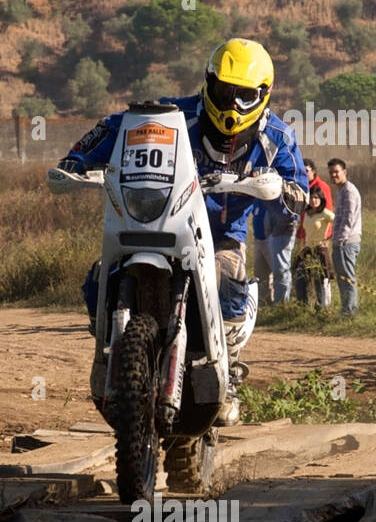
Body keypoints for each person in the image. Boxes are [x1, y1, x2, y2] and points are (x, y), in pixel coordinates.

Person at [56, 37, 308, 429]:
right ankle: (112, 352)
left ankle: (229, 364)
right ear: (208, 82)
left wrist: (277, 188)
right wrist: (78, 158)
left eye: (243, 96)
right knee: (97, 280)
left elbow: (299, 194)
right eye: (224, 91)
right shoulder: (173, 116)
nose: (231, 105)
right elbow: (118, 124)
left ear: (263, 94)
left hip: (220, 236)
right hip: (157, 224)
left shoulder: (277, 137)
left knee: (228, 286)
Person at [328, 158, 362, 317]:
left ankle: (350, 312)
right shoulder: (342, 190)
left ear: (344, 172)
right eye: (331, 172)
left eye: (336, 172)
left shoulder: (349, 190)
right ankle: (346, 310)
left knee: (347, 279)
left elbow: (348, 219)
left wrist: (340, 241)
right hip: (340, 242)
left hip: (346, 243)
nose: (334, 175)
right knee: (342, 279)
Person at [252, 188, 297, 306]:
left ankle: (282, 303)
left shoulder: (274, 197)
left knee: (279, 272)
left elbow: (287, 217)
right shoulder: (257, 199)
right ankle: (264, 303)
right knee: (261, 275)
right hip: (258, 239)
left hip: (271, 238)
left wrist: (272, 235)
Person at [292, 186, 335, 307]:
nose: (313, 200)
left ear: (321, 199)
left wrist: (328, 238)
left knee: (319, 282)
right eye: (311, 198)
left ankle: (321, 308)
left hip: (319, 251)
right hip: (307, 251)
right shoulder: (306, 214)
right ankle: (303, 307)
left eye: (316, 198)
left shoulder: (325, 213)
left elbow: (338, 223)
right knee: (300, 280)